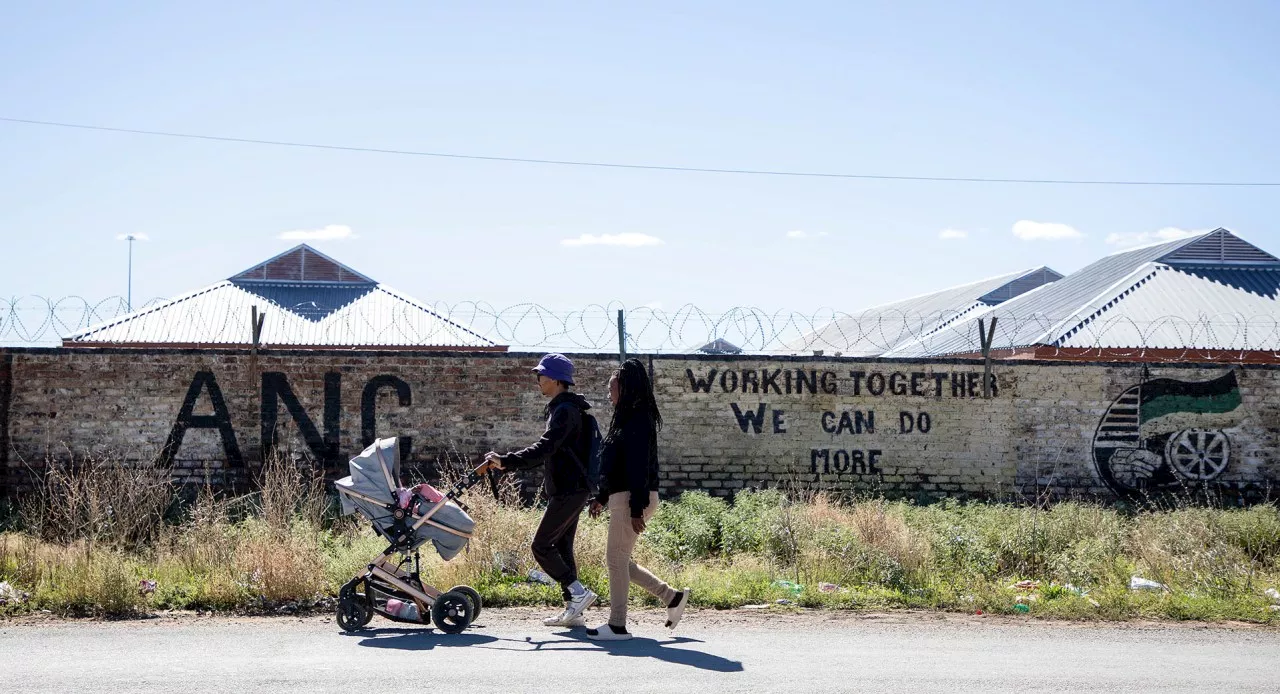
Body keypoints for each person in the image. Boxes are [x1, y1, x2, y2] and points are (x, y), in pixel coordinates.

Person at [485, 353, 597, 628]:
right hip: (571, 488)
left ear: (557, 381)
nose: (538, 380)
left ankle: (578, 592)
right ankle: (574, 610)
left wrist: (507, 461)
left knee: (541, 545)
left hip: (570, 489)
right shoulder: (564, 409)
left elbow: (545, 448)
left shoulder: (565, 411)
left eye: (542, 375)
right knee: (561, 546)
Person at [585, 358, 689, 641]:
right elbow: (618, 466)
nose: (608, 393)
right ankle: (672, 598)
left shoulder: (639, 420)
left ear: (626, 388)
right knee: (621, 560)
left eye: (612, 388)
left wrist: (636, 507)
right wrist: (602, 497)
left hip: (633, 498)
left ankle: (617, 625)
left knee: (615, 560)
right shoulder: (626, 419)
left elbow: (639, 466)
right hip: (624, 497)